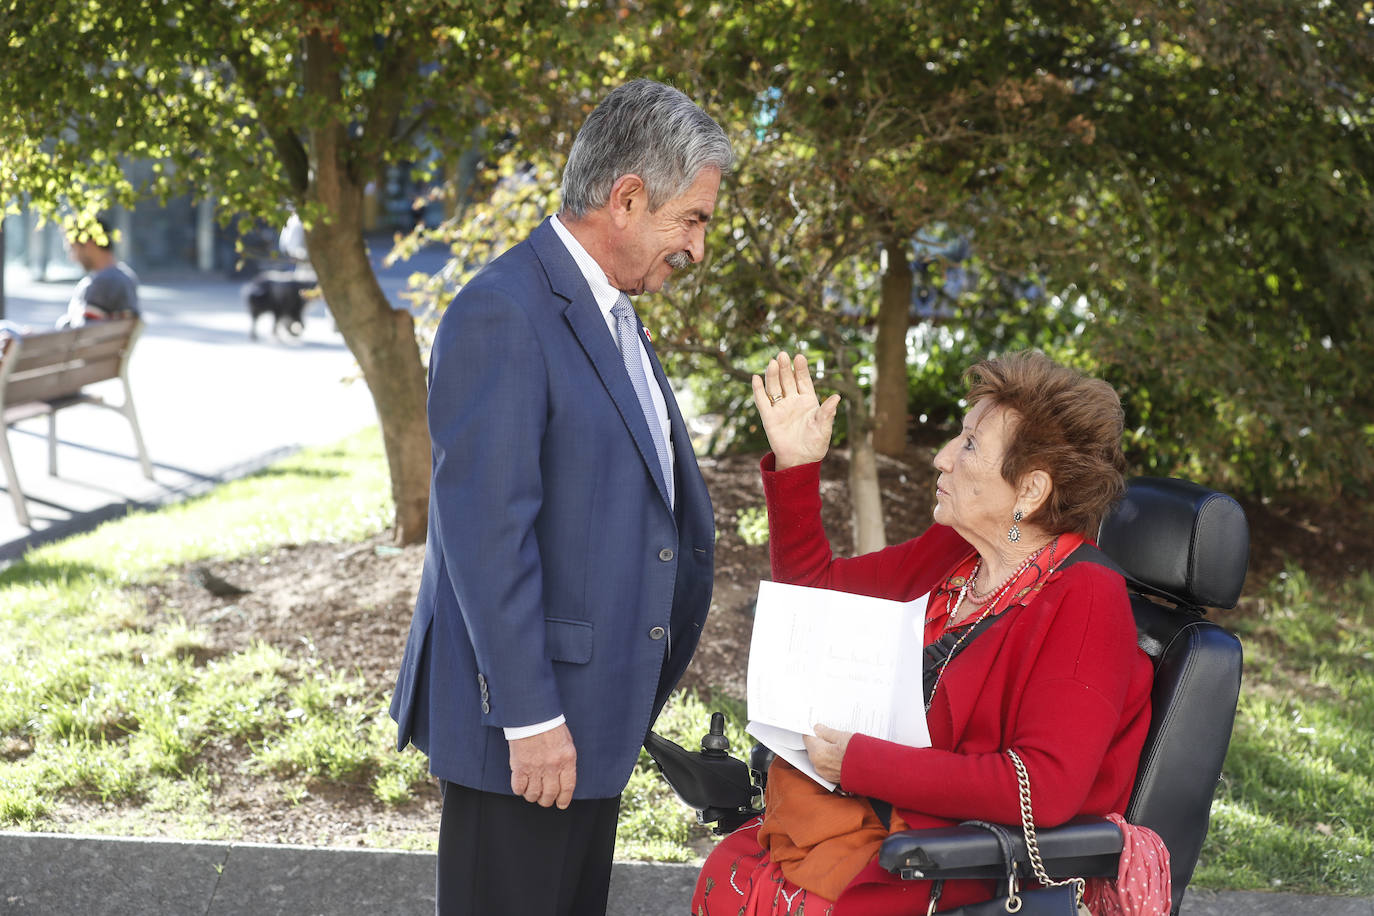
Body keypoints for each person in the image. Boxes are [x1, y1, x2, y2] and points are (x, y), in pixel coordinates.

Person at [389, 78, 732, 916]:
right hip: (531, 735)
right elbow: (483, 537)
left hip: (590, 727)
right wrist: (532, 719)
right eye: (692, 220)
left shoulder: (606, 306)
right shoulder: (502, 312)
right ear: (626, 198)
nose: (696, 247)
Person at [691, 350, 1154, 916]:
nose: (941, 459)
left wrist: (859, 762)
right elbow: (817, 599)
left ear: (1030, 491)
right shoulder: (959, 552)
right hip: (888, 823)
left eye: (969, 446)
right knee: (730, 870)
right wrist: (795, 465)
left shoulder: (1086, 597)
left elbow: (1044, 788)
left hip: (966, 857)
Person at [61, 218, 140, 328]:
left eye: (72, 249)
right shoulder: (128, 277)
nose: (72, 258)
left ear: (88, 244)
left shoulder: (101, 283)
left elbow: (83, 333)